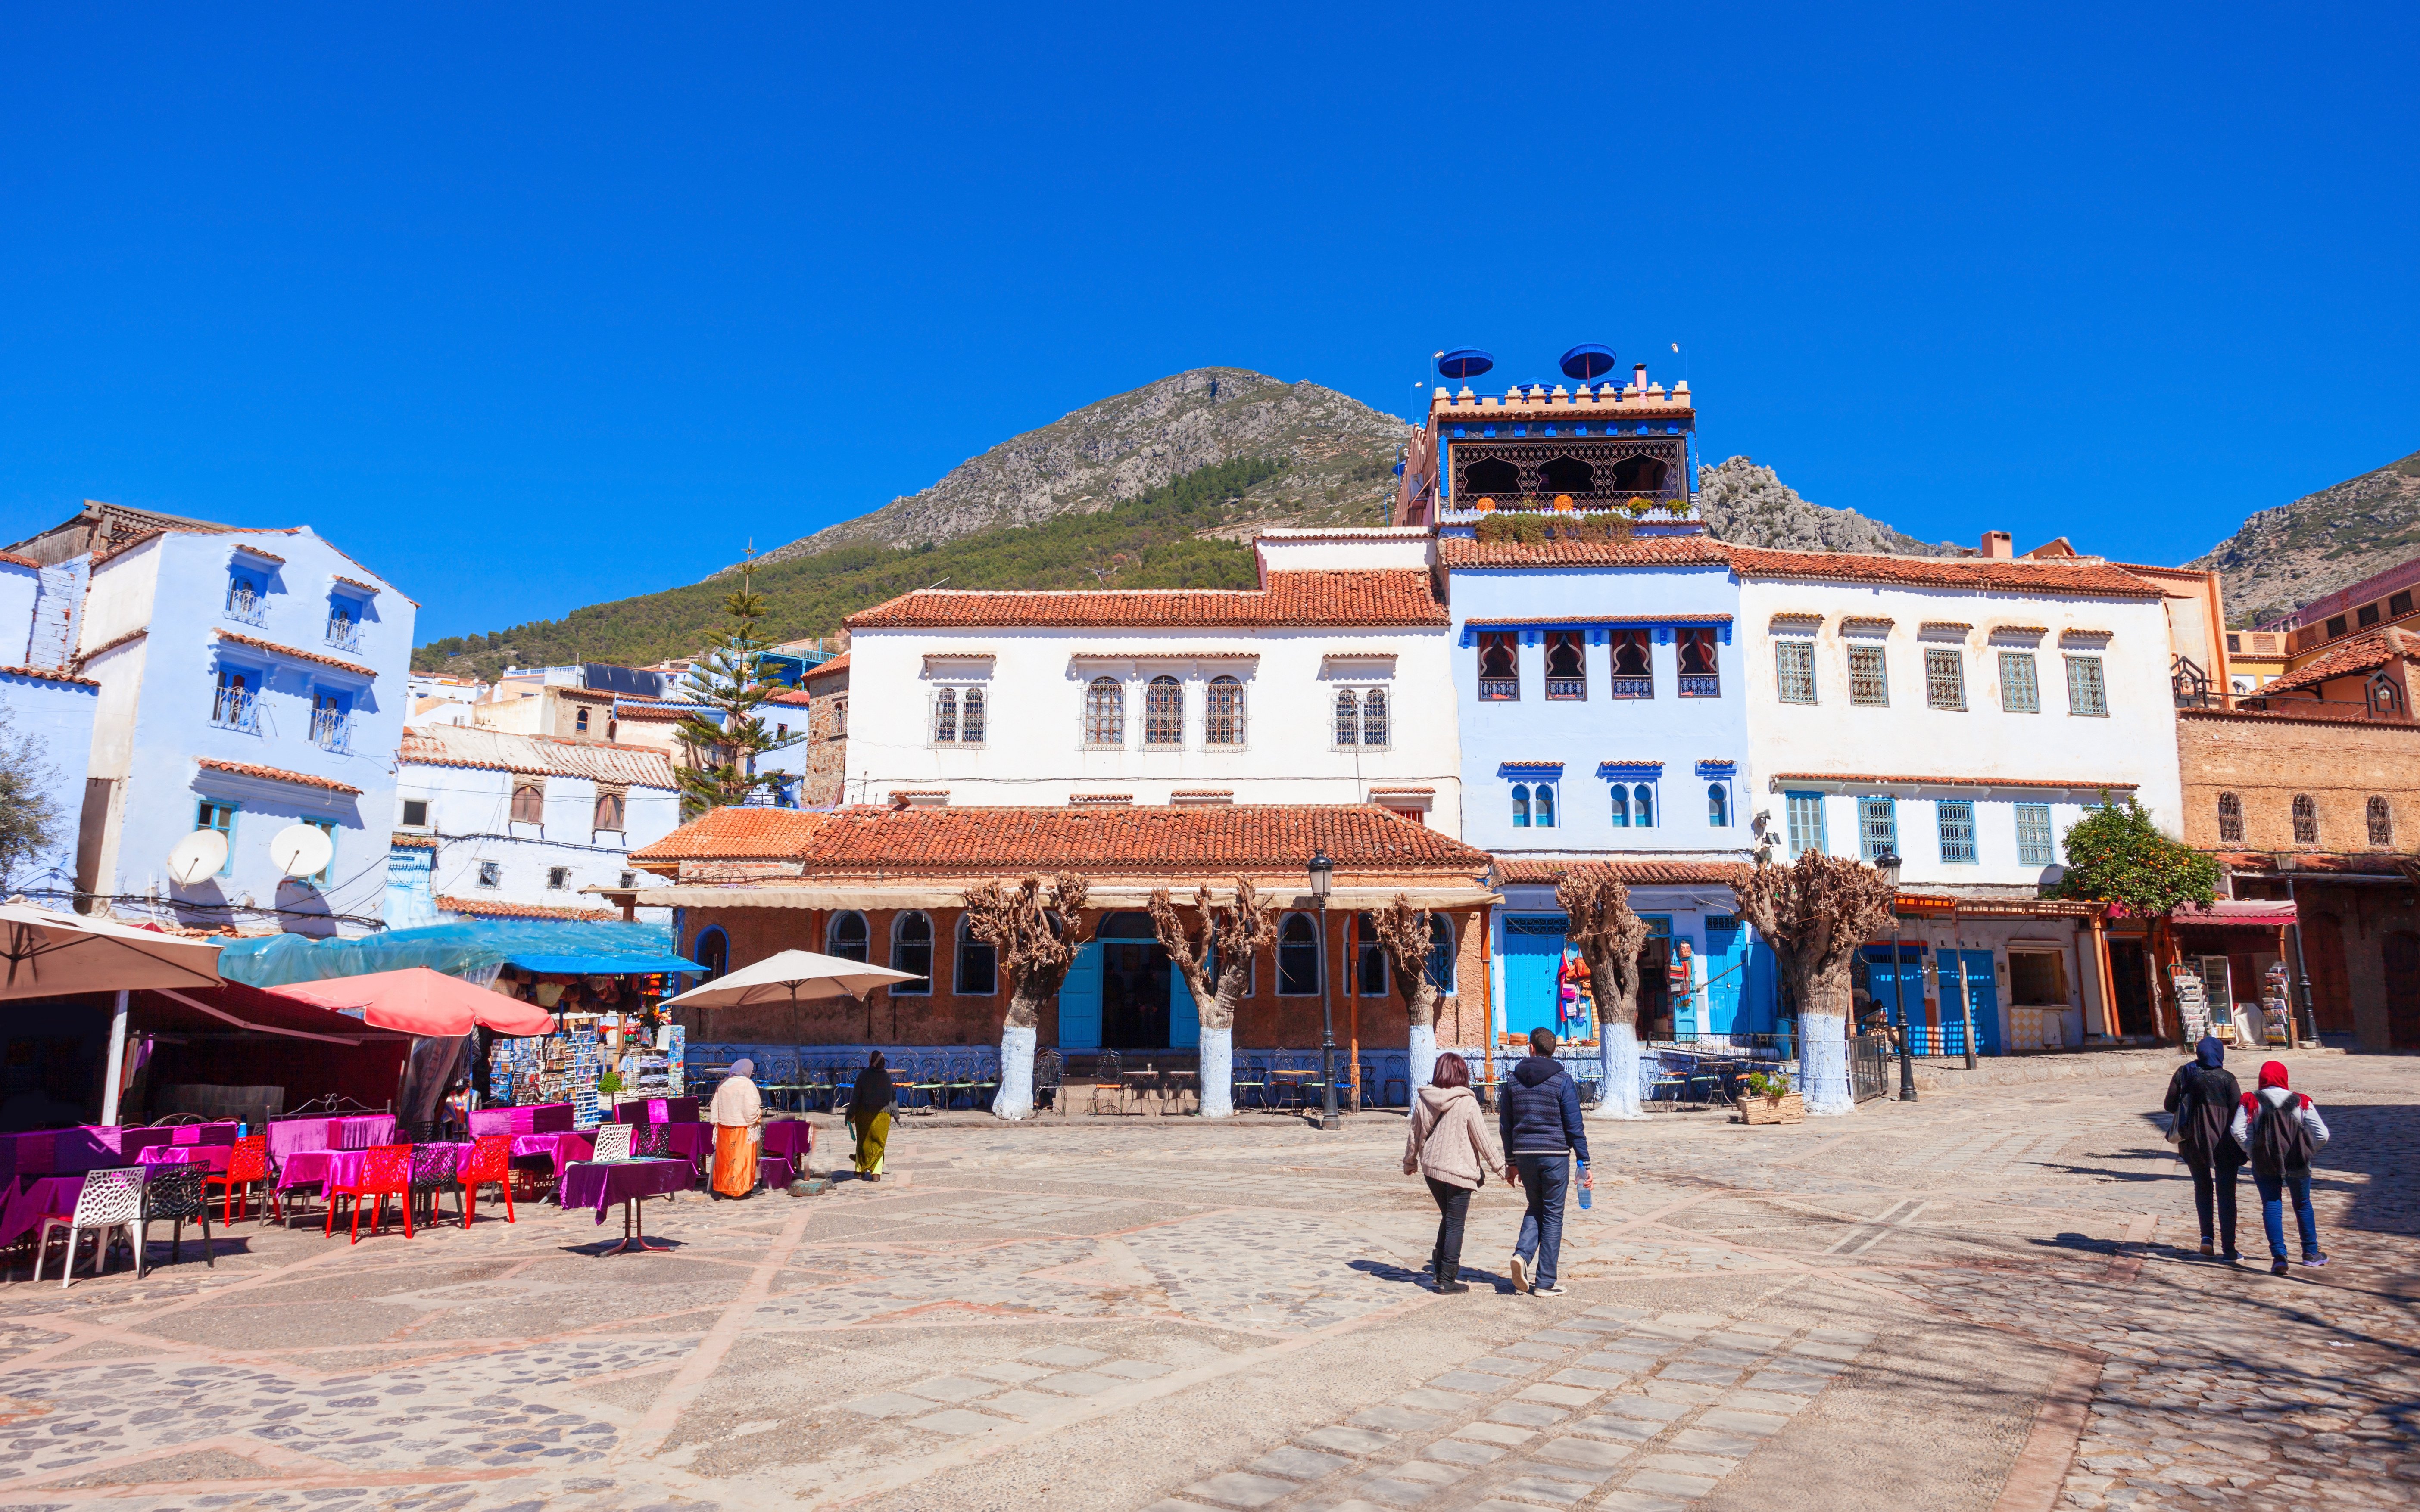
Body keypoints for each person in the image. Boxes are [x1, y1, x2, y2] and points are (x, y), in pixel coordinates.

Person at [1497, 1027, 1592, 1297]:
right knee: (1552, 1215)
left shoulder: (1513, 1082)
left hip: (1525, 1155)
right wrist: (1584, 1161)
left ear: (1531, 1049)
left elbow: (1506, 1125)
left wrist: (1511, 1161)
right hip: (1555, 1156)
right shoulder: (1562, 1080)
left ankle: (1522, 1255)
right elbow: (1574, 1125)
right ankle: (1546, 1282)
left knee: (1536, 1206)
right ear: (1554, 1051)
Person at [1402, 1052, 1503, 1294]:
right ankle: (1448, 1279)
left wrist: (1410, 1162)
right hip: (1458, 1171)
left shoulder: (1424, 1099)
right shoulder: (1467, 1102)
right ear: (1462, 1074)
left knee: (1448, 1217)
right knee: (1456, 1224)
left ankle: (1438, 1272)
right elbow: (1483, 1140)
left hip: (1432, 1170)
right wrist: (1501, 1169)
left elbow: (1414, 1134)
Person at [2231, 1060, 2330, 1276]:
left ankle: (2279, 1257)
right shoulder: (2301, 1101)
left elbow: (2237, 1131)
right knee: (2303, 1204)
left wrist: (2251, 1151)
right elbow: (2323, 1134)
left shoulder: (2251, 1101)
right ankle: (2311, 1254)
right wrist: (2308, 1151)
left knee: (2272, 1204)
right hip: (2297, 1161)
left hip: (2265, 1161)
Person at [2164, 1034, 2243, 1261]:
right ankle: (2229, 1248)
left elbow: (2169, 1104)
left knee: (2203, 1188)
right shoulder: (2228, 1078)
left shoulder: (2185, 1072)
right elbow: (2238, 1110)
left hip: (2194, 1141)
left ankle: (2206, 1238)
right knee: (2227, 1194)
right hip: (2224, 1142)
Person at [708, 1058, 764, 1199]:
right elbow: (752, 1108)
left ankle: (725, 1188)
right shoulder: (747, 1084)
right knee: (740, 1159)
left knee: (727, 1159)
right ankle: (739, 1189)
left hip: (725, 1129)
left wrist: (718, 1121)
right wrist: (757, 1117)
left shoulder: (723, 1084)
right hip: (742, 1129)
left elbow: (714, 1106)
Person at [848, 1050, 895, 1181]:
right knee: (879, 1145)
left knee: (863, 1143)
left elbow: (856, 1097)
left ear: (871, 1061)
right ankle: (876, 1174)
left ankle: (860, 1171)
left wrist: (850, 1114)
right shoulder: (886, 1077)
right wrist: (896, 1115)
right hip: (883, 1117)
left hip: (864, 1115)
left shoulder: (863, 1075)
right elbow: (892, 1097)